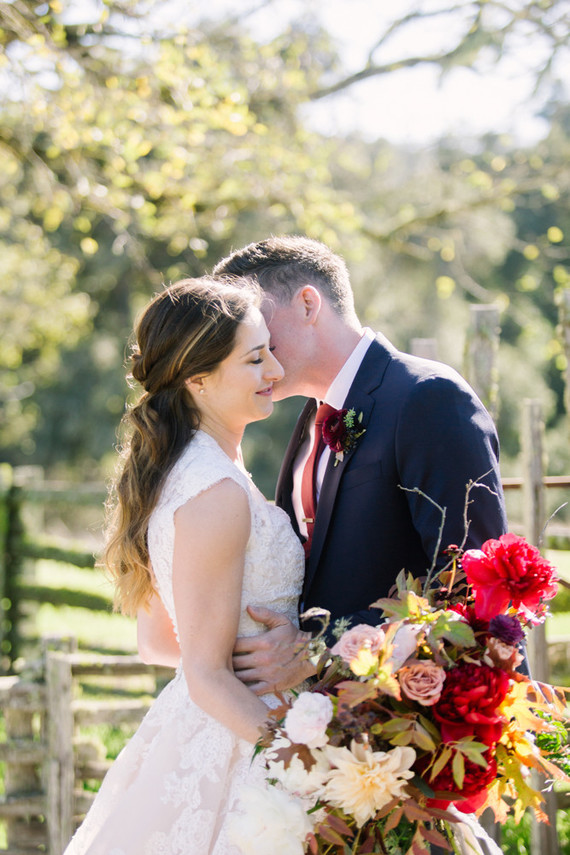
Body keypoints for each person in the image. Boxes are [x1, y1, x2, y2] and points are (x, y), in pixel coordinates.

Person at [62, 276, 306, 855]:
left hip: (218, 725)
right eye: (255, 359)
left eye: (270, 349)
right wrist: (303, 762)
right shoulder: (214, 491)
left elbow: (158, 642)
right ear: (198, 380)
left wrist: (258, 653)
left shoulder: (182, 471)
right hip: (243, 741)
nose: (276, 370)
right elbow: (203, 673)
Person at [211, 236, 509, 695]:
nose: (246, 347)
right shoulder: (311, 416)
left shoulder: (427, 398)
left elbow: (470, 583)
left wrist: (316, 652)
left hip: (423, 720)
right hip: (333, 728)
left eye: (255, 325)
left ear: (308, 304)